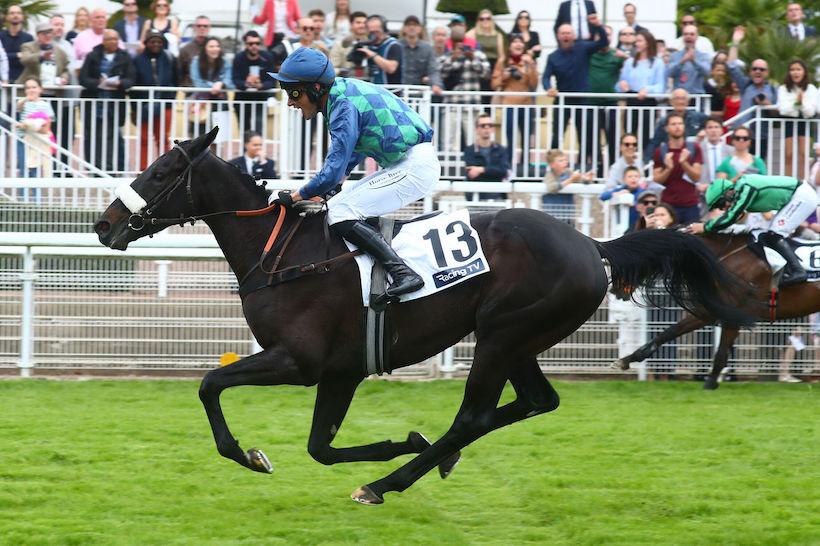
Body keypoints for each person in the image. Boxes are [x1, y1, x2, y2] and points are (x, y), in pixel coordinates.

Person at [269, 47, 439, 306]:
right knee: (338, 205)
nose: (290, 102)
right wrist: (330, 188)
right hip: (407, 163)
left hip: (414, 166)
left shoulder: (342, 105)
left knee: (340, 212)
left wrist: (295, 196)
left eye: (293, 93)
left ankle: (403, 273)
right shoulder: (343, 93)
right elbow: (352, 153)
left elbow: (334, 168)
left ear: (316, 88)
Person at [689, 174, 819, 285]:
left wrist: (705, 227)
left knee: (773, 235)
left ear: (728, 193)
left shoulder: (746, 187)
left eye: (721, 204)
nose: (723, 208)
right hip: (796, 197)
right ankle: (788, 268)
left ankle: (798, 271)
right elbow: (734, 217)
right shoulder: (741, 189)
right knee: (765, 236)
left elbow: (731, 216)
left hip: (802, 197)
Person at [543, 21, 608, 167]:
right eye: (563, 33)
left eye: (568, 33)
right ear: (558, 36)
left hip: (582, 100)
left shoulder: (583, 48)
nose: (566, 36)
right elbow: (545, 77)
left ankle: (583, 167)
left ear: (573, 36)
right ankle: (552, 167)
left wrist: (598, 26)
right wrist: (548, 88)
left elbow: (603, 42)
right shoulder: (553, 57)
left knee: (584, 135)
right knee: (557, 135)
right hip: (562, 100)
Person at [79, 29, 135, 173]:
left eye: (116, 39)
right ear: (103, 41)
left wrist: (119, 83)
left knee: (115, 137)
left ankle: (115, 169)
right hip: (94, 104)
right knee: (92, 137)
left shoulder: (125, 57)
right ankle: (93, 169)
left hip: (114, 104)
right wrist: (98, 83)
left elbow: (131, 79)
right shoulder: (92, 55)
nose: (113, 42)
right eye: (110, 39)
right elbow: (83, 79)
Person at [133, 30, 177, 170]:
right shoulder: (137, 60)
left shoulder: (170, 58)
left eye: (159, 42)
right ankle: (143, 170)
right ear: (146, 43)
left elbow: (176, 79)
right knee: (144, 138)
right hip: (144, 105)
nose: (156, 44)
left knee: (163, 138)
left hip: (165, 104)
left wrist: (170, 97)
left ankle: (164, 170)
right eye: (152, 41)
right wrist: (135, 108)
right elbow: (134, 82)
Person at [492, 34, 538, 167]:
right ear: (509, 46)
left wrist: (531, 65)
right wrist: (504, 77)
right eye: (514, 42)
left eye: (520, 42)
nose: (518, 44)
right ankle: (509, 165)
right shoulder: (503, 61)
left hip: (526, 104)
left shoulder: (528, 61)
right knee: (510, 136)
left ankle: (525, 166)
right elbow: (494, 84)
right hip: (509, 103)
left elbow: (534, 84)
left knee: (526, 136)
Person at [726, 27, 776, 148]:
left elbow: (777, 115)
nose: (758, 71)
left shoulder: (773, 89)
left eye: (761, 69)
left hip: (761, 137)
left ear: (767, 72)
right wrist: (735, 42)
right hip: (741, 135)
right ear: (750, 72)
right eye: (754, 69)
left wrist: (767, 104)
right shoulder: (745, 84)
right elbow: (731, 66)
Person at [615, 30, 665, 147]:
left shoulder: (658, 63)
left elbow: (660, 86)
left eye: (639, 41)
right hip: (631, 100)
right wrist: (622, 85)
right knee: (629, 134)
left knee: (646, 135)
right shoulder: (630, 62)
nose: (636, 44)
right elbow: (619, 85)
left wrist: (648, 89)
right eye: (636, 41)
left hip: (648, 101)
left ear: (647, 43)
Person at [651, 112, 703, 223]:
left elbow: (697, 177)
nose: (677, 127)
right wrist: (668, 168)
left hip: (690, 204)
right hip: (668, 205)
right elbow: (657, 179)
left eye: (680, 123)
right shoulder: (660, 151)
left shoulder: (694, 148)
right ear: (666, 128)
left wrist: (684, 163)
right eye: (673, 124)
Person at [589, 25, 628, 168]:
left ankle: (613, 168)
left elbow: (632, 67)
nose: (605, 37)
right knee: (592, 137)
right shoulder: (589, 54)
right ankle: (596, 169)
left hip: (611, 103)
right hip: (592, 102)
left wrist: (626, 57)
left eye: (609, 34)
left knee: (613, 137)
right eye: (602, 34)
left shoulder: (616, 55)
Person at [777, 59, 817, 179]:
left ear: (804, 72)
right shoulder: (783, 88)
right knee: (788, 154)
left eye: (798, 69)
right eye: (792, 69)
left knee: (804, 154)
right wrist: (796, 103)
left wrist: (802, 103)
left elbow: (811, 111)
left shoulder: (811, 88)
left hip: (805, 122)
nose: (795, 72)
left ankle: (803, 182)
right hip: (788, 122)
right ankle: (788, 183)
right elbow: (783, 109)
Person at [645, 88, 707, 162]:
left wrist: (705, 131)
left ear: (688, 102)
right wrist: (647, 161)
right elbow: (655, 143)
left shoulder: (698, 117)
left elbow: (713, 125)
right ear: (671, 102)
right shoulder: (664, 121)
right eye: (677, 98)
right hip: (672, 159)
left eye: (683, 98)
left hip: (694, 158)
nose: (680, 101)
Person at [232, 30, 276, 134]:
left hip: (261, 98)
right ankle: (245, 145)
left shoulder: (267, 57)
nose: (254, 46)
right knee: (244, 130)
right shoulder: (239, 58)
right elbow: (235, 79)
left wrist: (261, 85)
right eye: (251, 43)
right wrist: (246, 83)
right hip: (242, 99)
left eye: (257, 43)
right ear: (245, 44)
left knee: (258, 127)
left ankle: (257, 144)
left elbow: (272, 80)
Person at [189, 37, 234, 136]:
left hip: (220, 102)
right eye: (211, 46)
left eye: (217, 46)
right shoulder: (196, 61)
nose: (215, 49)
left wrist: (221, 84)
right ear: (205, 48)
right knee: (199, 137)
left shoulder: (225, 61)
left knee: (220, 136)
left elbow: (230, 81)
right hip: (201, 103)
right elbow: (197, 82)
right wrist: (213, 86)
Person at [15, 78, 55, 180]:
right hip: (23, 139)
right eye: (28, 88)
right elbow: (18, 107)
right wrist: (26, 99)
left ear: (40, 89)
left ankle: (36, 191)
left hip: (37, 140)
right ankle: (23, 190)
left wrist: (30, 127)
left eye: (34, 87)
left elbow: (47, 128)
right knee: (24, 167)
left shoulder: (45, 105)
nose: (31, 90)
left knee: (35, 169)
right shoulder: (23, 102)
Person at [463, 113, 510, 201]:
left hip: (498, 197)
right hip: (476, 198)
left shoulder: (501, 150)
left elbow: (503, 171)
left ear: (493, 129)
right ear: (476, 129)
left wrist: (481, 170)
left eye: (490, 125)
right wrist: (494, 172)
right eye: (483, 125)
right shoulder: (469, 150)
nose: (487, 128)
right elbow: (472, 174)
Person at [542, 148, 593, 218]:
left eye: (565, 160)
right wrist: (571, 180)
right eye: (561, 161)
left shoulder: (568, 172)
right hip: (553, 213)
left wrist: (587, 179)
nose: (565, 162)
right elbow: (551, 188)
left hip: (568, 212)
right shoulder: (550, 175)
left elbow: (580, 180)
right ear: (552, 165)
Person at [467, 9, 505, 103]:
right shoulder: (473, 33)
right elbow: (466, 47)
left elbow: (501, 56)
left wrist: (497, 70)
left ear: (492, 20)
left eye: (488, 18)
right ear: (478, 20)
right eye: (482, 19)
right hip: (478, 65)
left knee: (489, 96)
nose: (485, 21)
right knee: (478, 94)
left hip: (493, 66)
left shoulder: (498, 35)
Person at [17, 23, 70, 87]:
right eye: (44, 33)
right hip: (32, 88)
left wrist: (64, 78)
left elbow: (65, 70)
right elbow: (25, 59)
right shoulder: (28, 46)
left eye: (50, 33)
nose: (48, 36)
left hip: (53, 89)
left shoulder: (60, 51)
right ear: (37, 35)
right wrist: (41, 56)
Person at [400, 16, 442, 95]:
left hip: (420, 93)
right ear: (404, 28)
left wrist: (436, 84)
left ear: (420, 29)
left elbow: (433, 70)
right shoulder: (397, 46)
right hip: (399, 92)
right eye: (408, 25)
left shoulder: (427, 48)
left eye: (415, 25)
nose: (412, 27)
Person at [666, 24, 712, 94]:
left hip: (697, 95)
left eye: (692, 34)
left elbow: (707, 73)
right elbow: (669, 73)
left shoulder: (703, 56)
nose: (688, 36)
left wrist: (694, 61)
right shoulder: (674, 55)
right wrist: (682, 61)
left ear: (697, 37)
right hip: (679, 95)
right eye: (686, 34)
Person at [359, 15, 400, 85]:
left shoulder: (393, 45)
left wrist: (372, 55)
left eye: (376, 32)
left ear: (384, 30)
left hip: (390, 89)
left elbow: (391, 68)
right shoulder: (369, 46)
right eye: (371, 32)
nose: (374, 35)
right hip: (373, 86)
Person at [329, 11, 368, 79]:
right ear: (351, 25)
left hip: (369, 80)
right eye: (358, 22)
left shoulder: (373, 44)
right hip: (347, 81)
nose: (362, 25)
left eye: (365, 23)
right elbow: (332, 69)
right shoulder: (339, 45)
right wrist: (343, 71)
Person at [0, 5, 33, 83]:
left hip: (22, 81)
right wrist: (17, 55)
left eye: (18, 13)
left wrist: (6, 55)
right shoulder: (1, 36)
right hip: (2, 81)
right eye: (12, 13)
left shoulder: (28, 38)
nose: (15, 15)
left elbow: (29, 59)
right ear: (7, 17)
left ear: (22, 17)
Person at [697, 116, 733, 187]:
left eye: (716, 127)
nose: (713, 130)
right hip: (703, 189)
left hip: (725, 189)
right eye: (710, 127)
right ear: (705, 130)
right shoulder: (699, 149)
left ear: (722, 130)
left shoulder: (731, 151)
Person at [178, 15, 209, 86]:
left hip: (212, 89)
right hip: (191, 89)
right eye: (199, 26)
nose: (202, 28)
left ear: (209, 28)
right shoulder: (185, 49)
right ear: (194, 28)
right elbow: (180, 74)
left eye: (205, 26)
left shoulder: (215, 48)